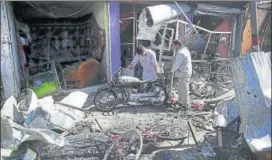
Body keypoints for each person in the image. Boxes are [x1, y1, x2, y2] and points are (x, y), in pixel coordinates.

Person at [171, 40, 192, 109]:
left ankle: (186, 105)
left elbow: (177, 64)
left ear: (177, 45)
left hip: (183, 73)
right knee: (180, 88)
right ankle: (180, 102)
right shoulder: (185, 50)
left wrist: (172, 70)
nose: (173, 47)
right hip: (184, 72)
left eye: (173, 45)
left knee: (184, 89)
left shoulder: (181, 53)